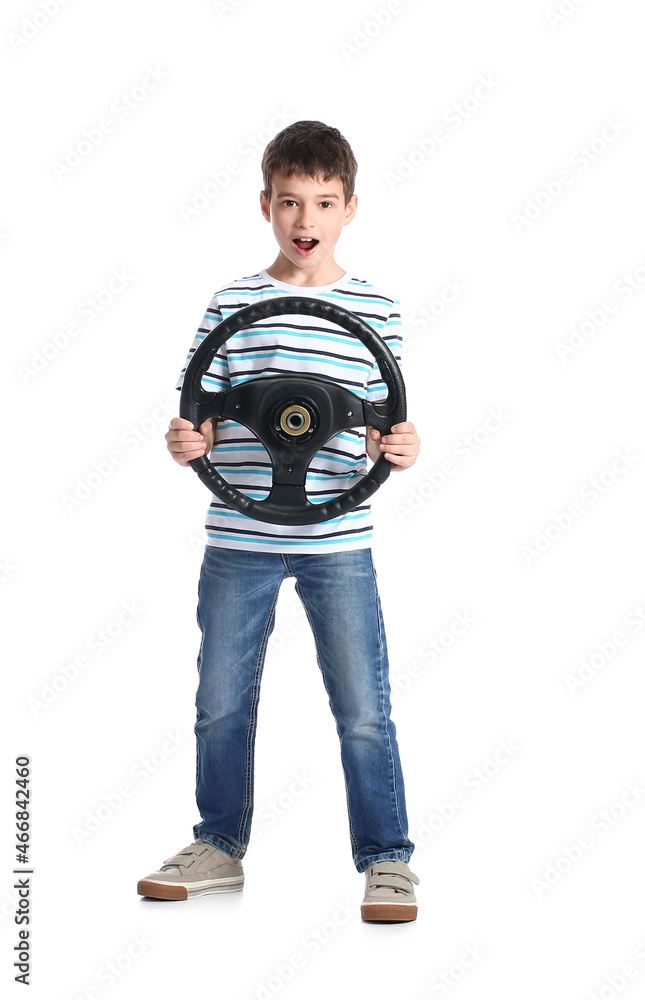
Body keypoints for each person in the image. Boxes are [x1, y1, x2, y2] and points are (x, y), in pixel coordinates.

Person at [137, 121, 421, 922]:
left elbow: (384, 423)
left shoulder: (377, 310)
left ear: (350, 208)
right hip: (239, 538)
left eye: (323, 203)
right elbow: (201, 419)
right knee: (220, 700)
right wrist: (186, 440)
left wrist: (398, 446)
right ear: (264, 204)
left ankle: (388, 859)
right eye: (290, 201)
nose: (306, 219)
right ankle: (218, 847)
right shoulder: (231, 304)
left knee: (363, 706)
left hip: (339, 539)